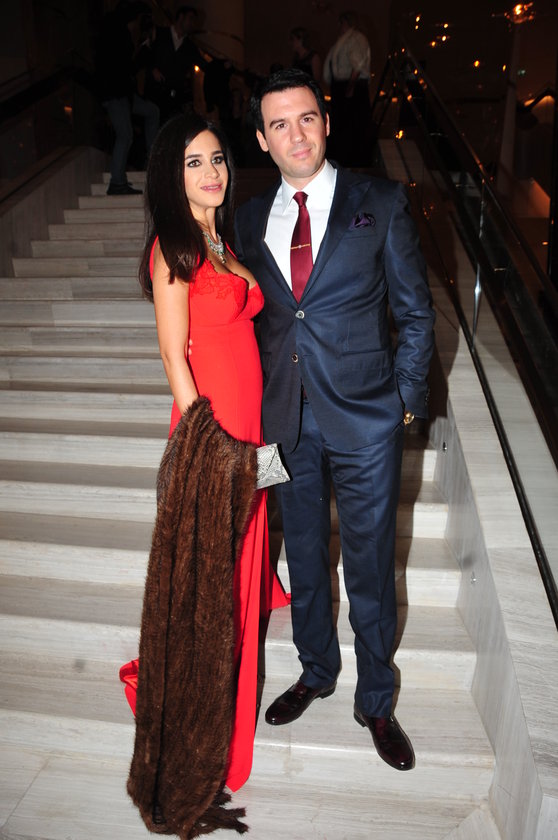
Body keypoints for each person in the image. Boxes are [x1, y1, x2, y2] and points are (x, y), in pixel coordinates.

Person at [234, 69, 435, 773]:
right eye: (279, 124)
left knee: (372, 566)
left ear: (326, 122)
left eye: (306, 118)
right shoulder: (247, 219)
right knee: (305, 556)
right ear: (262, 140)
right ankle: (316, 670)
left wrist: (404, 403)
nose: (296, 134)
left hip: (367, 419)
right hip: (287, 421)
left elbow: (415, 313)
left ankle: (375, 699)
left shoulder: (379, 201)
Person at [120, 114, 288, 831]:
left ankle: (224, 733)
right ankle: (195, 750)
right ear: (171, 174)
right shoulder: (174, 246)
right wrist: (210, 449)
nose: (211, 172)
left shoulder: (223, 241)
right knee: (207, 600)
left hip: (248, 437)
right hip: (213, 441)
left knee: (235, 590)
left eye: (216, 158)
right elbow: (172, 355)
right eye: (194, 163)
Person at [96, 1, 159, 194]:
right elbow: (125, 68)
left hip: (121, 93)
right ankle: (117, 182)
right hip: (116, 93)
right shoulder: (118, 34)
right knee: (125, 135)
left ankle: (152, 161)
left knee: (152, 111)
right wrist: (144, 51)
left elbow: (124, 67)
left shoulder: (114, 32)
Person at [145, 5, 209, 124]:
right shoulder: (159, 33)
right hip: (154, 93)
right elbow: (144, 54)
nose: (193, 24)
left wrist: (224, 65)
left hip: (173, 98)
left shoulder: (190, 46)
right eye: (190, 18)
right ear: (181, 17)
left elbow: (205, 66)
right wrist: (152, 68)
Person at [323, 10, 371, 165]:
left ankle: (353, 160)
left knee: (352, 125)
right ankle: (344, 159)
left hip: (351, 86)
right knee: (342, 126)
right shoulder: (344, 40)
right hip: (343, 86)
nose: (339, 26)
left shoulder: (356, 38)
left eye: (341, 23)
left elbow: (358, 65)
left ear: (347, 22)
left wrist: (350, 86)